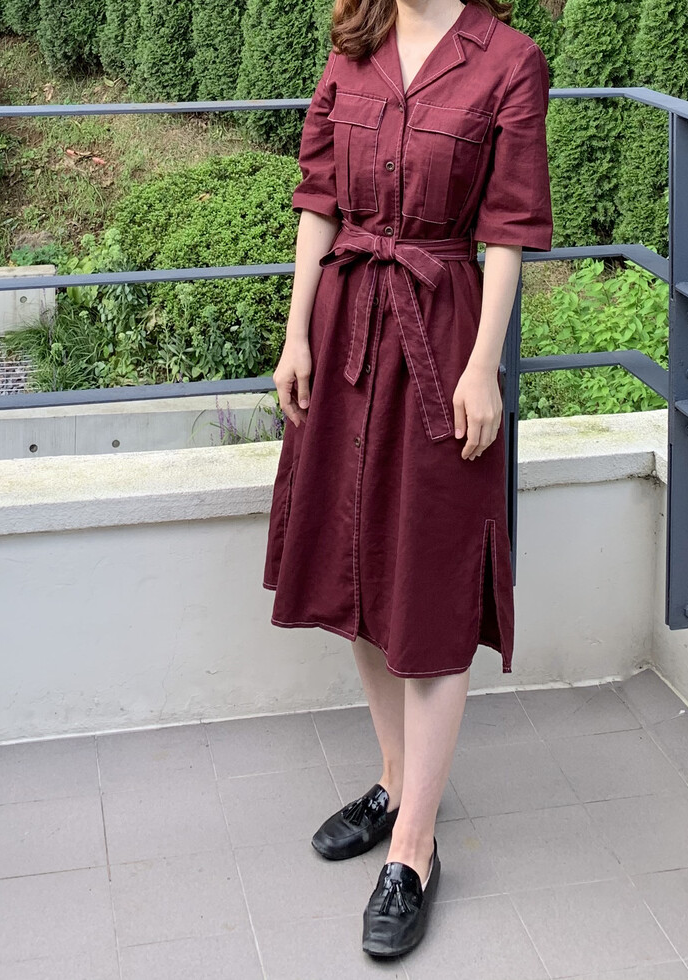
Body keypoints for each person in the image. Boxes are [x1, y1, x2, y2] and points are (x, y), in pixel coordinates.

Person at [262, 0, 552, 958]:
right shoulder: (354, 43)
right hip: (346, 329)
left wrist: (483, 367)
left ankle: (415, 851)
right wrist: (297, 334)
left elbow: (507, 229)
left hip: (441, 340)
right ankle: (395, 783)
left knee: (429, 585)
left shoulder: (508, 60)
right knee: (357, 568)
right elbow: (319, 201)